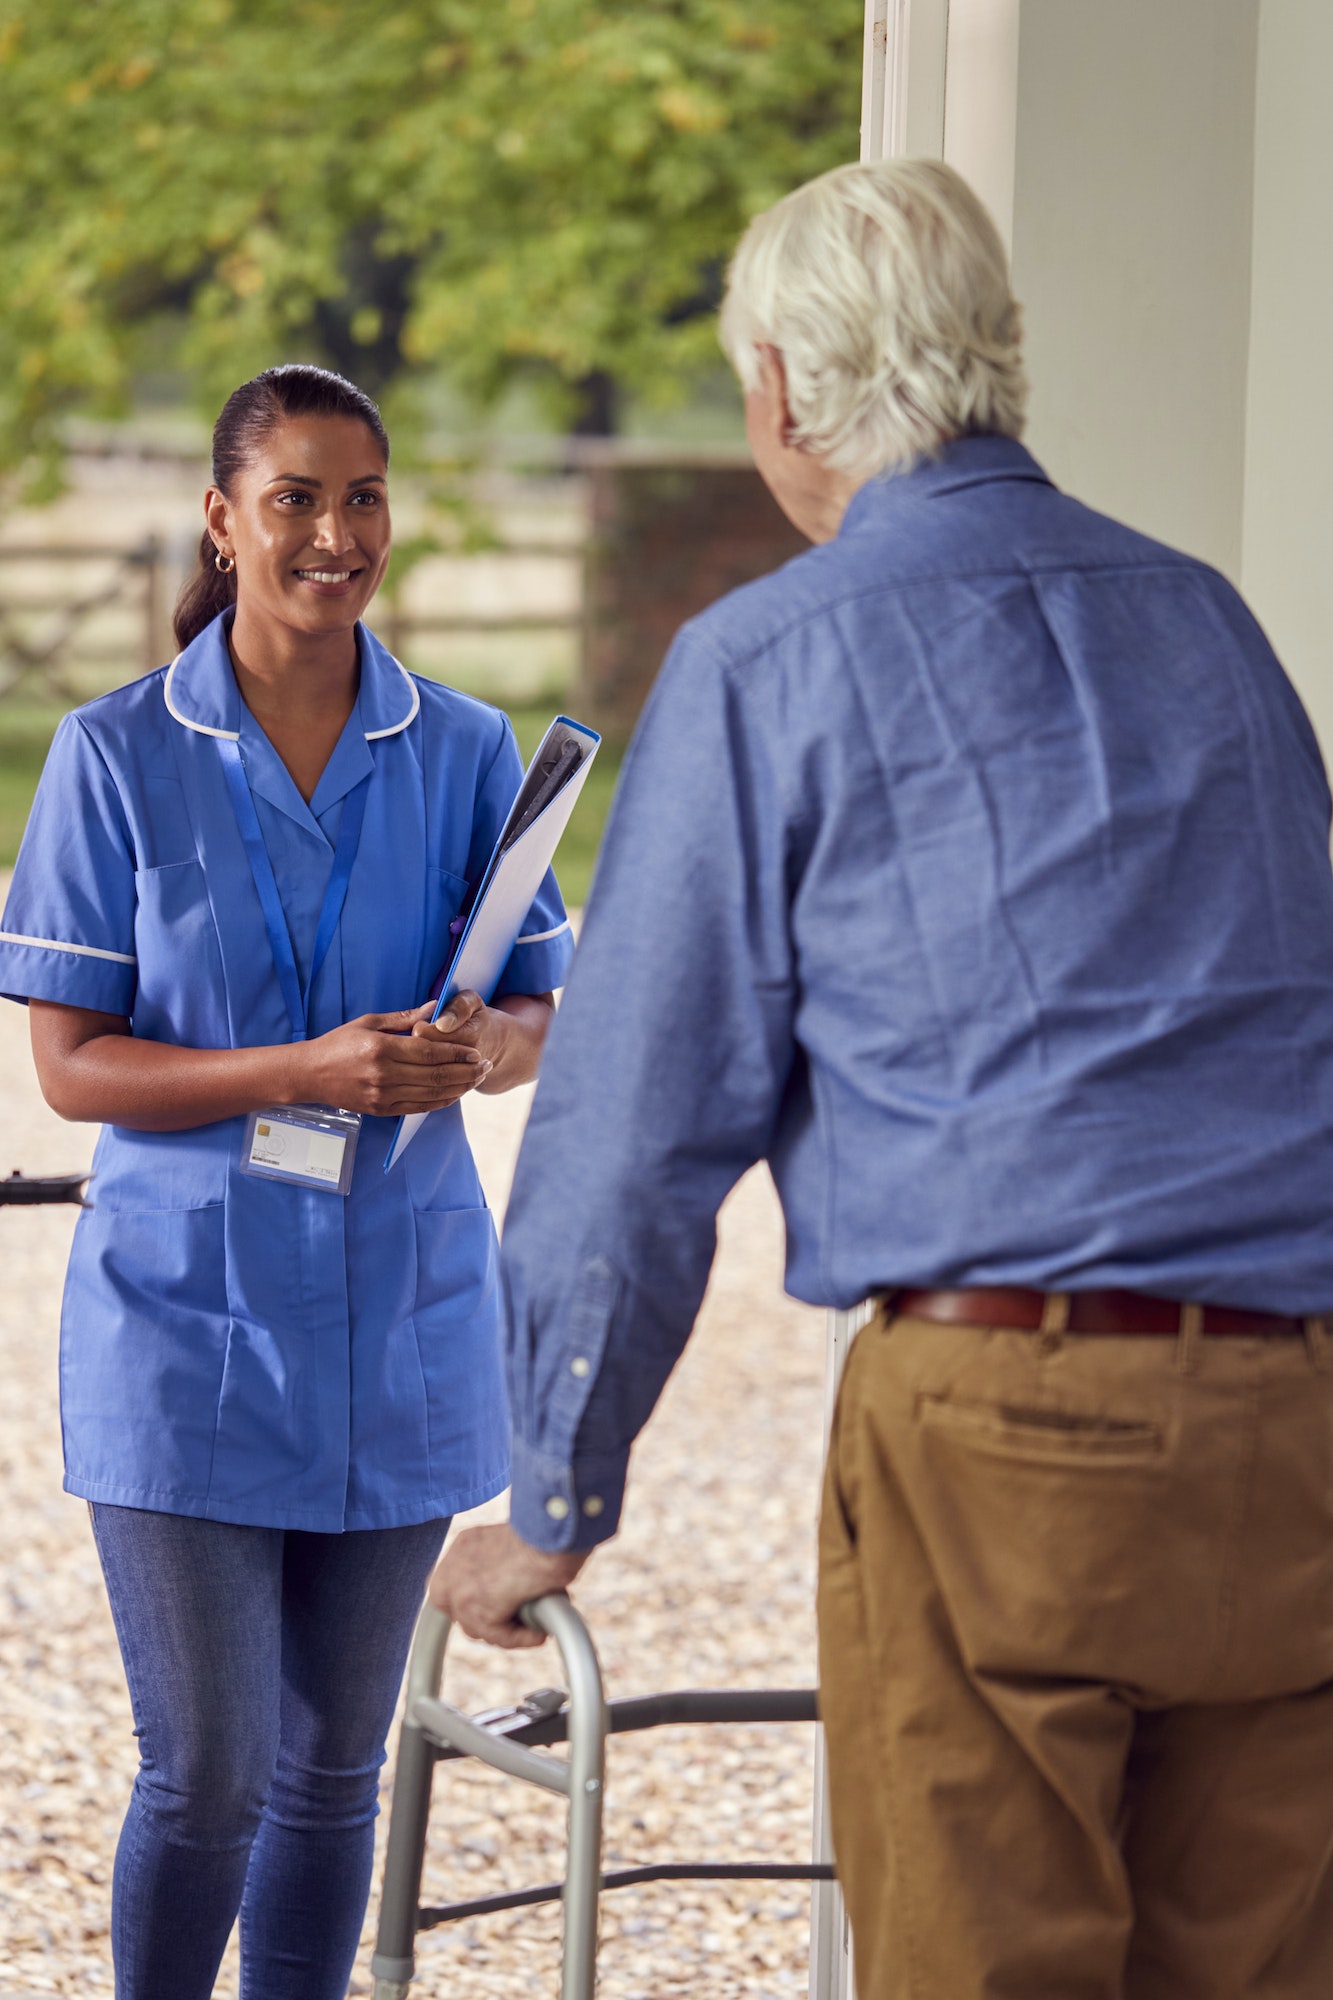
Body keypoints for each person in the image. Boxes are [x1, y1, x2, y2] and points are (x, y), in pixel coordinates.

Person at [429, 159, 1333, 1998]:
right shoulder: (1212, 624)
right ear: (994, 358)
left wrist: (551, 1496)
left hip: (1003, 1428)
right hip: (1295, 1430)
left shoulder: (770, 657)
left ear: (776, 390)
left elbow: (632, 1128)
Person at [0, 364, 574, 2000]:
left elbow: (531, 1003)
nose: (336, 534)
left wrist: (481, 1053)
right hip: (183, 1332)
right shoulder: (111, 757)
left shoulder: (467, 753)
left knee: (334, 1779)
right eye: (297, 499)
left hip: (397, 1316)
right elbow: (72, 1067)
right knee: (210, 1776)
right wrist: (299, 1071)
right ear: (223, 521)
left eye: (364, 496)